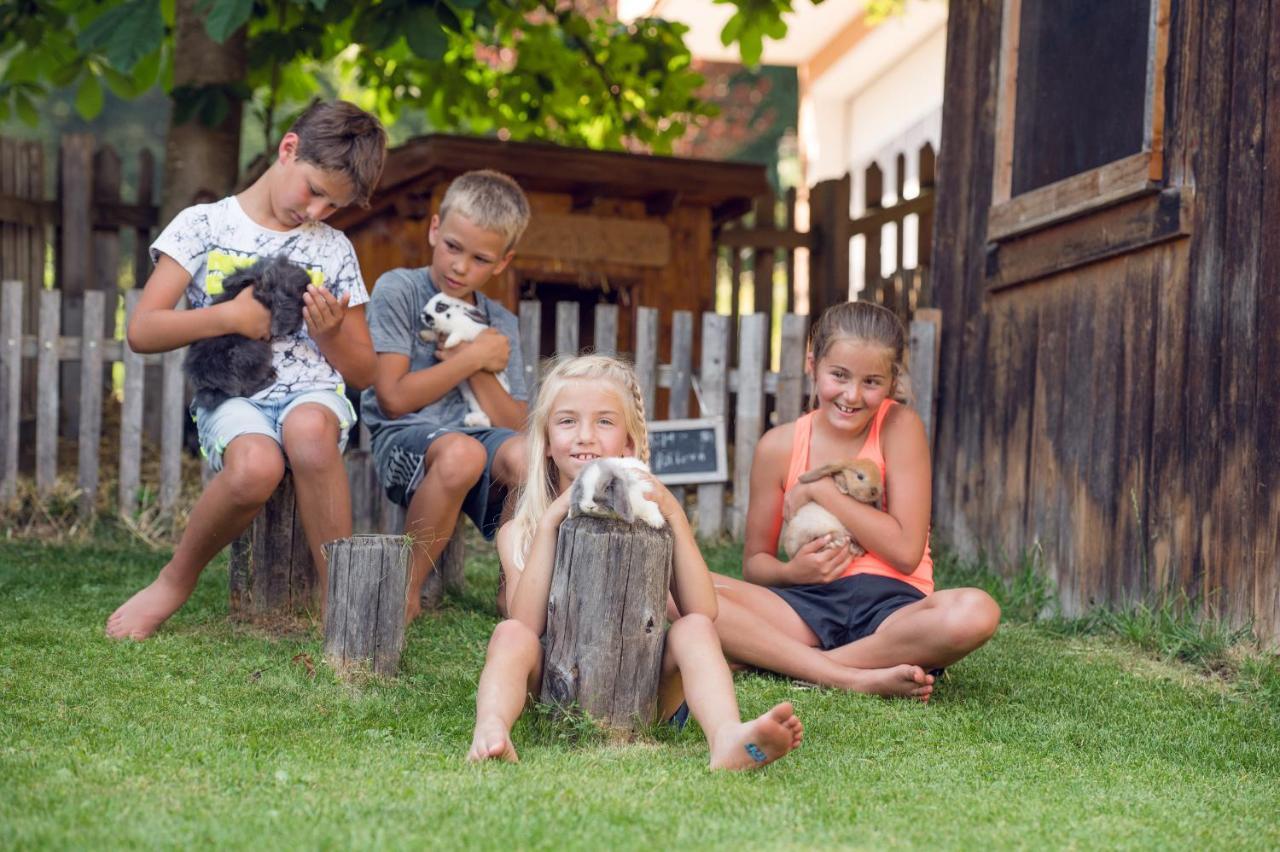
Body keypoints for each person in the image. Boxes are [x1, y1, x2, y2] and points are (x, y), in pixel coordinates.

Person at [106, 100, 387, 640]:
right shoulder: (203, 225)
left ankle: (340, 602)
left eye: (335, 205)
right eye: (314, 190)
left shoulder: (335, 250)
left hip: (312, 393)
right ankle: (174, 581)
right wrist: (229, 316)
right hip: (232, 394)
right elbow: (143, 331)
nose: (317, 213)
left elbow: (364, 369)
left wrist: (329, 333)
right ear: (288, 149)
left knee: (308, 433)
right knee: (256, 467)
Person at [467, 355, 805, 770]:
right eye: (567, 421)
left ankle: (726, 737)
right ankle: (492, 729)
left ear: (628, 444)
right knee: (508, 636)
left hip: (645, 689)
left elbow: (703, 610)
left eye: (604, 422)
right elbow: (526, 623)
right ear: (547, 441)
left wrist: (675, 515)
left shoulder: (649, 521)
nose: (585, 436)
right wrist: (553, 521)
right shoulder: (519, 531)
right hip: (557, 686)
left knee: (693, 628)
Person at [710, 301, 1000, 696]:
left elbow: (904, 551)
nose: (852, 395)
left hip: (893, 611)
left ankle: (799, 662)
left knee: (977, 612)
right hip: (804, 605)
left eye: (871, 382)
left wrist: (821, 490)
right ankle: (851, 672)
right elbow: (755, 566)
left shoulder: (900, 427)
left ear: (892, 380)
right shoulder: (777, 447)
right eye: (839, 375)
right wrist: (793, 574)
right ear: (813, 363)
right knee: (679, 588)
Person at [362, 170, 531, 622]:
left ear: (502, 262)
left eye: (480, 258)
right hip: (406, 440)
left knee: (531, 455)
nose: (460, 267)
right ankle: (406, 592)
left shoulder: (501, 323)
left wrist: (478, 362)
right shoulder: (400, 289)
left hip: (476, 444)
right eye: (453, 247)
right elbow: (394, 399)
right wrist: (472, 357)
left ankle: (514, 587)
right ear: (435, 229)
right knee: (461, 454)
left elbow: (514, 424)